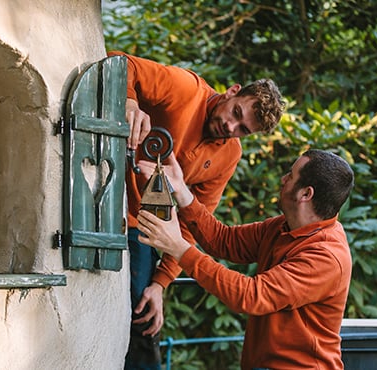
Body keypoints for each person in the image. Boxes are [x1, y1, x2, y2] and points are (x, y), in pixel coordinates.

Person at [107, 51, 285, 370]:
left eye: (243, 129)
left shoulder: (230, 154)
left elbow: (193, 223)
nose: (231, 127)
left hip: (143, 229)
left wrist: (161, 283)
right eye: (235, 112)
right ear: (233, 91)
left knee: (144, 316)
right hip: (104, 196)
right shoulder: (185, 88)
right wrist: (129, 102)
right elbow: (122, 63)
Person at [136, 149, 355, 370]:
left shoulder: (326, 256)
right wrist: (181, 191)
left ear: (306, 194)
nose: (283, 179)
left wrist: (179, 248)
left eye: (290, 175)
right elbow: (223, 240)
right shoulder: (284, 227)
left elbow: (251, 296)